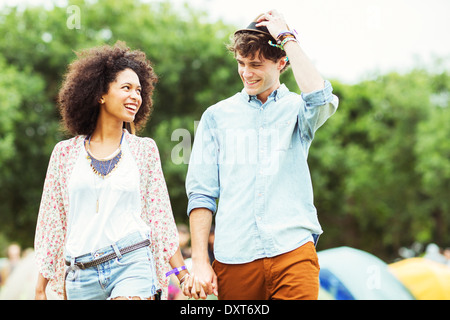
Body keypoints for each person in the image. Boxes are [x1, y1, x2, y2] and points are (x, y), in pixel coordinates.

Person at [184, 10, 339, 300]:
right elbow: (201, 194)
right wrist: (201, 262)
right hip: (234, 258)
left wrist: (287, 37)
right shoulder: (216, 116)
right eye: (241, 64)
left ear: (281, 63)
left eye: (256, 64)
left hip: (293, 251)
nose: (246, 73)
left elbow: (319, 97)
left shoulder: (298, 110)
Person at [34, 41, 188, 300]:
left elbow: (160, 217)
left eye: (139, 90)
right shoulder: (64, 154)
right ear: (100, 94)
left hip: (131, 262)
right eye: (126, 88)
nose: (135, 96)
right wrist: (40, 288)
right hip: (80, 274)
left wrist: (182, 273)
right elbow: (52, 223)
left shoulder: (144, 150)